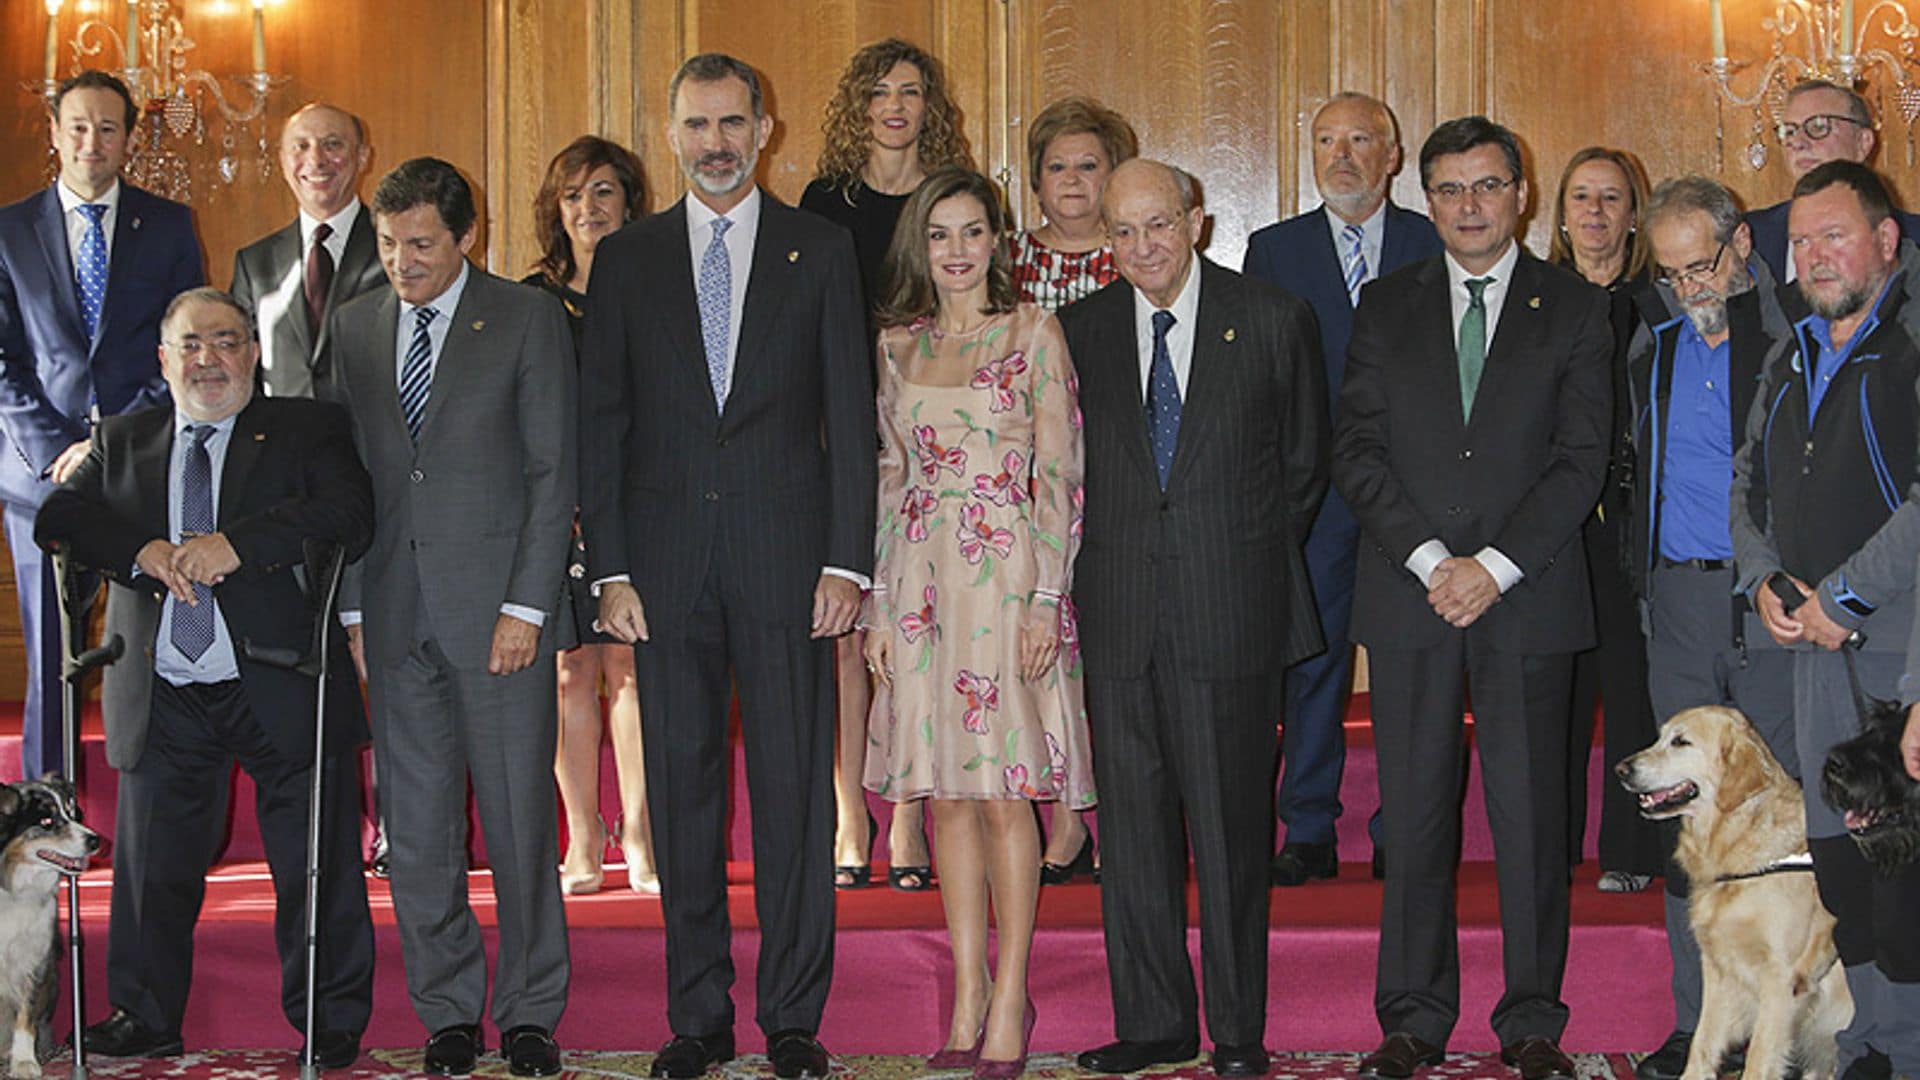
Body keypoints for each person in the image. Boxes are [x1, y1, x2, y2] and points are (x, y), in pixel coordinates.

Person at [578, 54, 875, 1080]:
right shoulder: (626, 260)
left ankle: (793, 1017)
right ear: (671, 133)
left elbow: (850, 418)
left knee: (795, 797)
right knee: (683, 798)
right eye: (698, 124)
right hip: (660, 577)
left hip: (791, 567)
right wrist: (607, 570)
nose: (716, 142)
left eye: (733, 123)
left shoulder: (821, 250)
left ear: (766, 127)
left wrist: (849, 562)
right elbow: (602, 425)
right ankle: (697, 1018)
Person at [1334, 116, 1611, 1080]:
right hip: (1412, 596)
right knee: (1412, 816)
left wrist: (1490, 566)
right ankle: (1412, 1016)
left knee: (1532, 818)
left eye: (1487, 186)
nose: (1469, 207)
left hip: (1525, 597)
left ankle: (1532, 1017)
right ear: (1429, 200)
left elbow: (1580, 464)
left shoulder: (1574, 308)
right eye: (1449, 190)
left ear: (1522, 194)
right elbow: (1357, 451)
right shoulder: (1386, 303)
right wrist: (1428, 559)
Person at [35, 287, 374, 1068]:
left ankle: (328, 1020)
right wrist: (141, 551)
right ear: (164, 360)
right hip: (164, 689)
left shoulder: (305, 429)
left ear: (253, 351)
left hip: (281, 679)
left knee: (313, 868)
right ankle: (144, 1014)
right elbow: (57, 519)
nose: (207, 359)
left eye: (224, 341)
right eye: (190, 345)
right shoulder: (122, 441)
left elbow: (351, 513)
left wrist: (238, 545)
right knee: (152, 872)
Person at [1061, 159, 1327, 1079]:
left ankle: (1238, 1033)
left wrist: (1228, 556)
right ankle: (1154, 1024)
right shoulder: (1080, 330)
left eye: (1159, 226)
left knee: (1230, 837)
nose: (1142, 248)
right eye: (1123, 232)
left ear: (1199, 221)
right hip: (1121, 616)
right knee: (1131, 840)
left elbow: (1302, 468)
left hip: (1231, 613)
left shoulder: (1270, 319)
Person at [329, 157, 575, 1078]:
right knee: (420, 831)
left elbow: (556, 471)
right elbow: (346, 479)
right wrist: (354, 604)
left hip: (499, 615)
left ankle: (528, 1013)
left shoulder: (524, 316)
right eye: (390, 245)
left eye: (422, 244)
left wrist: (528, 604)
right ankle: (446, 1015)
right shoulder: (354, 326)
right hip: (392, 614)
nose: (403, 262)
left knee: (516, 824)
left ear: (467, 236)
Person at [861, 164, 1092, 1078]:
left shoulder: (1034, 331)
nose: (957, 251)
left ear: (999, 241)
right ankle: (964, 990)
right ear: (920, 246)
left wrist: (1046, 594)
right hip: (919, 582)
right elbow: (888, 480)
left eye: (972, 232)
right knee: (948, 794)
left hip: (1006, 584)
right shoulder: (894, 348)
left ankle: (1011, 997)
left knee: (1003, 794)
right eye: (940, 234)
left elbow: (1060, 474)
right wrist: (879, 601)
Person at [1731, 159, 1920, 1080]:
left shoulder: (1914, 343)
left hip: (1900, 649)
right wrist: (1765, 581)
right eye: (1799, 241)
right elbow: (1747, 487)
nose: (1812, 255)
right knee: (1846, 862)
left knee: (1908, 866)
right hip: (1813, 655)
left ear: (1888, 241)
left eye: (1833, 235)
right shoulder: (1789, 351)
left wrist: (1844, 599)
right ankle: (1872, 1044)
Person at [1625, 175, 1801, 1080]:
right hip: (1680, 604)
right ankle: (1699, 1026)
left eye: (1702, 266)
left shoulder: (1789, 336)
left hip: (1770, 602)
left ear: (1740, 249)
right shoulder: (1648, 342)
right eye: (1672, 271)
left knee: (1785, 811)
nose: (1689, 286)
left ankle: (1797, 1023)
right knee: (1685, 822)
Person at [1242, 90, 1442, 886]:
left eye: (1362, 140)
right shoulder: (1273, 250)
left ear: (1393, 157)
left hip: (1412, 496)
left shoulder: (1435, 243)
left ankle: (1407, 827)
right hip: (1312, 497)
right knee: (1313, 660)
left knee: (1407, 667)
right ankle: (1310, 827)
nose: (1344, 156)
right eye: (1328, 140)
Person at [799, 37, 969, 893]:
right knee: (847, 637)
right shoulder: (823, 200)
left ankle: (906, 811)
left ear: (928, 105)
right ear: (856, 108)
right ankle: (847, 815)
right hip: (842, 430)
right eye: (878, 93)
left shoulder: (950, 195)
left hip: (932, 433)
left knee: (913, 630)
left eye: (909, 91)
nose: (894, 106)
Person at [0, 69, 203, 783]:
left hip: (137, 469)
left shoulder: (170, 224)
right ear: (54, 134)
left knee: (144, 644)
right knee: (52, 652)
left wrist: (110, 441)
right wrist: (59, 449)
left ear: (129, 139)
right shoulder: (8, 229)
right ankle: (49, 802)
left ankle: (152, 795)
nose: (93, 142)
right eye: (78, 127)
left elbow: (188, 344)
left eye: (108, 128)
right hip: (40, 478)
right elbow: (3, 359)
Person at [522, 135, 656, 897]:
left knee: (631, 669)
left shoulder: (659, 287)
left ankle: (639, 833)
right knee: (571, 672)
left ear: (629, 202)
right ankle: (584, 834)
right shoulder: (531, 300)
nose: (589, 208)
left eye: (604, 192)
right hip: (558, 509)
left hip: (640, 504)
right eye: (574, 195)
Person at [1545, 146, 1663, 894]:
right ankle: (1548, 850)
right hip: (1552, 521)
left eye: (1610, 198)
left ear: (1633, 214)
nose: (1594, 211)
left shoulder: (1658, 301)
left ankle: (1632, 850)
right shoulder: (1536, 299)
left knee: (1631, 691)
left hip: (1632, 516)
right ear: (1559, 214)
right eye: (1581, 197)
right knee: (1553, 692)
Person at [230, 102, 386, 400]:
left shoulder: (393, 249)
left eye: (332, 145)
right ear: (282, 161)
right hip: (285, 440)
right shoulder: (254, 263)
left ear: (363, 156)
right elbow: (240, 361)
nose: (315, 160)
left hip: (371, 442)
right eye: (300, 146)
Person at [1744, 79, 1920, 284]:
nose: (1798, 143)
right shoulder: (1751, 235)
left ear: (1863, 142)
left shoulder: (1914, 237)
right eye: (1790, 131)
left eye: (1819, 126)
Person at [1009, 96, 1137, 314]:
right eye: (1057, 167)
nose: (1071, 179)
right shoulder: (1002, 255)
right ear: (1037, 181)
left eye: (1087, 166)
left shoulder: (1140, 255)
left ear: (1114, 177)